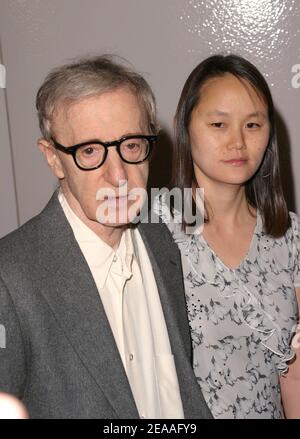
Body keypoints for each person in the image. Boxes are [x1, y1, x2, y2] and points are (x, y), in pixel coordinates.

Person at [0, 55, 212, 419]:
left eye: (131, 146)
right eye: (90, 152)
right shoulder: (10, 277)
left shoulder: (161, 242)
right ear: (52, 158)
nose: (118, 176)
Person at [155, 54, 300, 418]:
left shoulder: (290, 235)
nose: (237, 142)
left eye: (253, 125)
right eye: (219, 124)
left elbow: (294, 372)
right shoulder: (151, 231)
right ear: (184, 127)